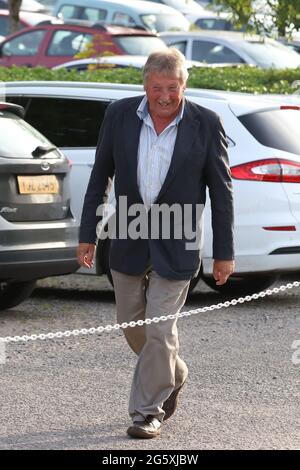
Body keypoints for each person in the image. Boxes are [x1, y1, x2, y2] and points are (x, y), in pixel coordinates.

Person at [77, 48, 235, 439]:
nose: (165, 96)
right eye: (157, 87)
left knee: (159, 328)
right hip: (128, 235)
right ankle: (174, 372)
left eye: (173, 87)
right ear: (145, 85)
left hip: (178, 239)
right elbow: (100, 177)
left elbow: (222, 190)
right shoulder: (119, 115)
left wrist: (224, 253)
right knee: (133, 324)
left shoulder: (206, 123)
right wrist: (88, 234)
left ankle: (147, 412)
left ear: (184, 85)